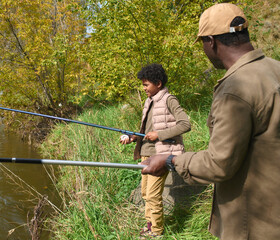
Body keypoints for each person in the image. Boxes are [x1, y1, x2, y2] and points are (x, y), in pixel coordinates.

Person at [141, 3, 280, 240]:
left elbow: (219, 163)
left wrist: (171, 160)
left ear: (211, 42)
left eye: (203, 44)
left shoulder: (234, 90)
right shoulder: (275, 69)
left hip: (253, 225)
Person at [120, 63, 191, 238]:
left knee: (152, 195)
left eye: (146, 85)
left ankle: (157, 231)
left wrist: (159, 134)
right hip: (146, 153)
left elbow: (185, 124)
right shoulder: (149, 101)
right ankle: (149, 224)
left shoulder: (169, 99)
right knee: (145, 193)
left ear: (158, 83)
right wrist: (132, 137)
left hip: (160, 155)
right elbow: (145, 131)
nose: (143, 88)